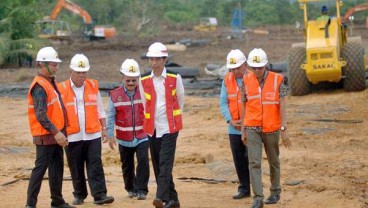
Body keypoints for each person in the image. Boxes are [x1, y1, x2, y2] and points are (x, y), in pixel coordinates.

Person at [57, 54, 114, 206]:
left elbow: (100, 109)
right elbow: (57, 112)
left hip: (92, 133)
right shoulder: (61, 88)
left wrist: (104, 128)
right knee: (75, 166)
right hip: (72, 135)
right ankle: (79, 194)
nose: (81, 76)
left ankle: (100, 195)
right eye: (78, 72)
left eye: (84, 72)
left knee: (95, 164)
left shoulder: (93, 86)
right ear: (71, 71)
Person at [26, 47, 75, 208]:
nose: (56, 67)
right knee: (40, 170)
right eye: (53, 64)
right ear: (42, 64)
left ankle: (57, 201)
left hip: (56, 134)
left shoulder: (50, 82)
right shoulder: (40, 86)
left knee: (57, 168)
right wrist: (56, 133)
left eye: (56, 64)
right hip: (46, 135)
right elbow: (41, 115)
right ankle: (30, 204)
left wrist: (61, 132)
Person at [242, 48, 291, 208]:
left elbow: (283, 105)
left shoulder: (279, 80)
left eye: (260, 67)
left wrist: (284, 129)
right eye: (254, 67)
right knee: (254, 163)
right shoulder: (245, 81)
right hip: (252, 127)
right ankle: (258, 198)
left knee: (273, 161)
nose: (257, 70)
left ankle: (275, 191)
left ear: (266, 66)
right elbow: (244, 105)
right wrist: (243, 129)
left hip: (271, 128)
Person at [140, 42, 185, 208]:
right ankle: (174, 200)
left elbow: (180, 100)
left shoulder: (175, 78)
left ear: (164, 60)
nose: (153, 63)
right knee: (158, 164)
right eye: (150, 59)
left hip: (170, 127)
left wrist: (173, 119)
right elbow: (145, 103)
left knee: (166, 162)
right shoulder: (143, 80)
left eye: (156, 59)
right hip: (153, 128)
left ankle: (160, 197)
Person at [107, 59, 150, 200]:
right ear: (122, 78)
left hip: (142, 135)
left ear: (138, 79)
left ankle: (142, 190)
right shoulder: (114, 95)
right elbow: (111, 116)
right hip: (124, 138)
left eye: (134, 80)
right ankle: (130, 188)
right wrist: (110, 134)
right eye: (128, 80)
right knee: (127, 165)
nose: (131, 83)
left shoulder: (145, 92)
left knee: (143, 161)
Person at [219, 49, 251, 200]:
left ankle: (257, 188)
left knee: (253, 159)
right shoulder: (227, 80)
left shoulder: (253, 78)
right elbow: (223, 103)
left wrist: (246, 122)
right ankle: (244, 188)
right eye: (232, 68)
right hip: (234, 128)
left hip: (251, 126)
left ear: (245, 64)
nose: (235, 71)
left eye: (238, 67)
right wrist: (230, 120)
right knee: (239, 160)